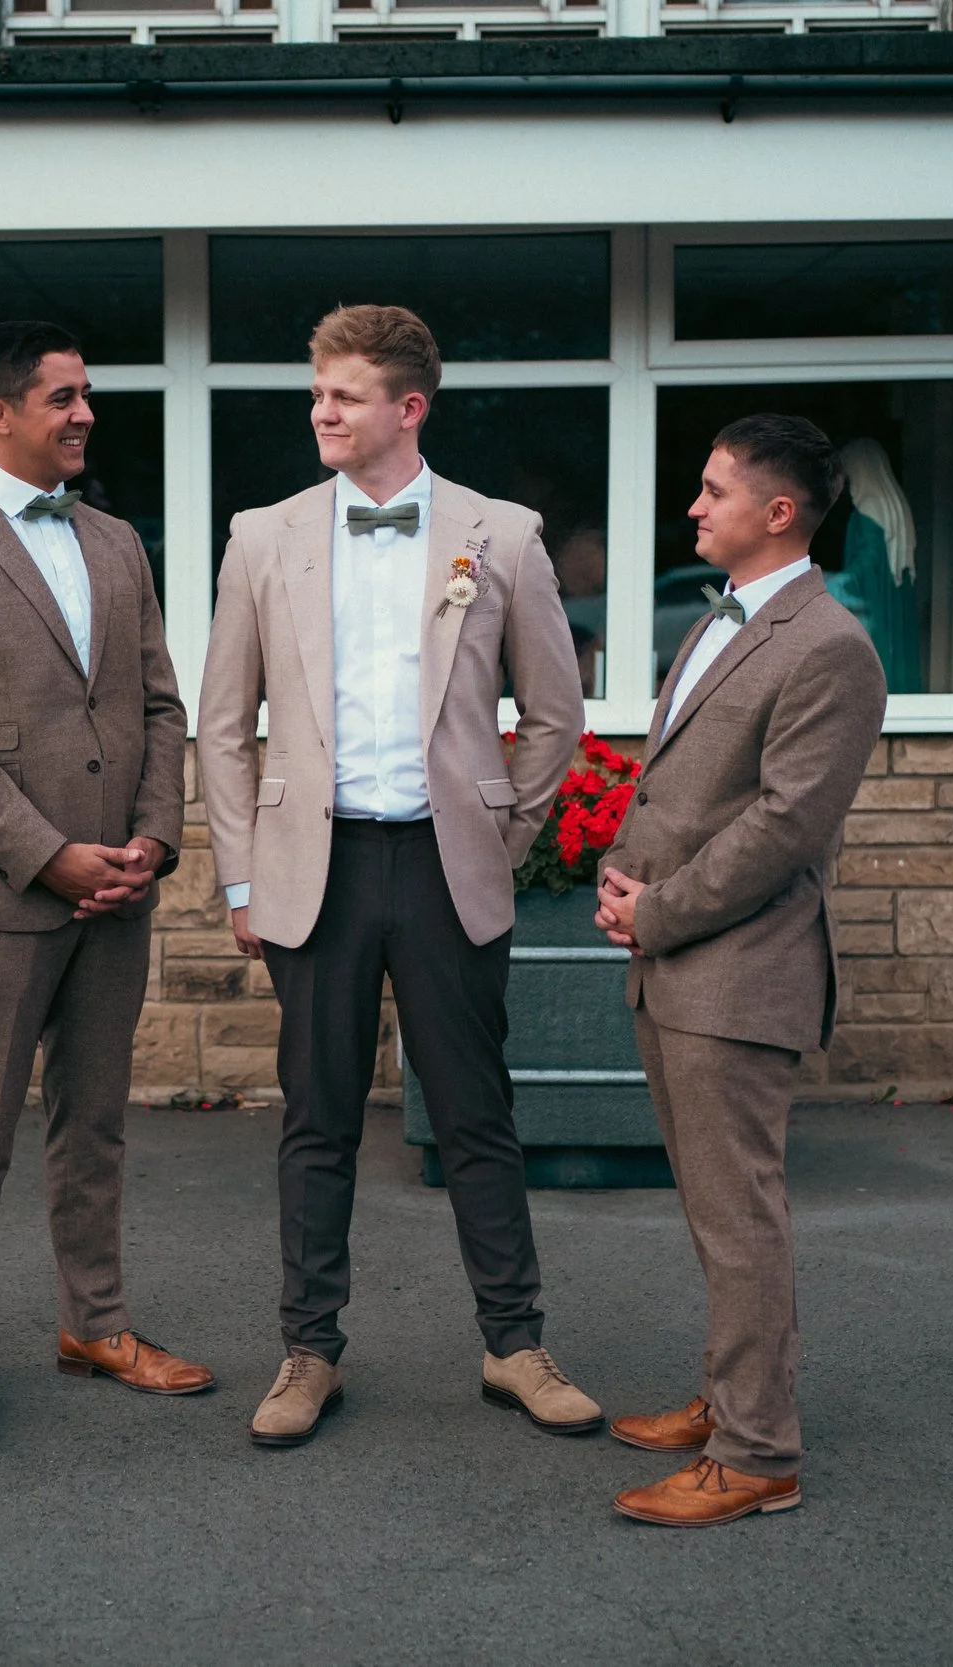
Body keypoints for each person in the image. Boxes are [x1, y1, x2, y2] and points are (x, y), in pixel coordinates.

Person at [198, 304, 595, 1449]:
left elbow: (554, 715)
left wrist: (497, 830)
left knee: (478, 1116)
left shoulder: (500, 534)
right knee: (315, 1122)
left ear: (407, 408)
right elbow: (225, 725)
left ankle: (514, 1343)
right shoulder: (263, 535)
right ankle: (307, 1351)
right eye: (316, 392)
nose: (321, 410)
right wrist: (238, 878)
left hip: (443, 865)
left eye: (345, 394)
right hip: (312, 869)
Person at [0, 321, 211, 1456]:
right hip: (0, 893)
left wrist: (154, 840)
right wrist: (46, 853)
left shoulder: (117, 540)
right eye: (62, 397)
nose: (84, 413)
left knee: (97, 1120)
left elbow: (162, 706)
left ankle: (96, 1324)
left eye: (86, 394)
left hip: (119, 888)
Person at [594, 413, 887, 1527]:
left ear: (778, 513)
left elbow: (782, 828)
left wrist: (656, 910)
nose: (692, 508)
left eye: (712, 491)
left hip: (737, 975)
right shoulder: (721, 621)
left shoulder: (829, 646)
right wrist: (626, 873)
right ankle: (727, 1399)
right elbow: (684, 783)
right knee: (715, 1208)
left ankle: (760, 1454)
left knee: (740, 1215)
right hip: (676, 961)